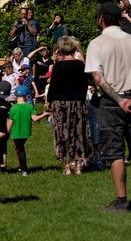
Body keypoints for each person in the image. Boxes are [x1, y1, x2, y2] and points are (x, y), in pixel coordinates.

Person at [85, 2, 131, 212]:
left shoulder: (96, 44)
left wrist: (119, 100)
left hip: (111, 103)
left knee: (115, 153)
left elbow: (98, 77)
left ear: (101, 19)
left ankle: (122, 201)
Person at [45, 36, 89, 175]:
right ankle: (78, 166)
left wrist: (49, 101)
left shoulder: (58, 65)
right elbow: (84, 85)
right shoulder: (81, 65)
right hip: (77, 102)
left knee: (61, 134)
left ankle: (66, 167)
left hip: (60, 103)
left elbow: (53, 86)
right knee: (78, 133)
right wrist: (82, 101)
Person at [8, 85, 49, 176]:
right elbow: (35, 119)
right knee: (20, 149)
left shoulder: (13, 108)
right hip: (26, 133)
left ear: (15, 96)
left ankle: (24, 169)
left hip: (16, 134)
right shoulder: (30, 107)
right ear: (26, 96)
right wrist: (45, 114)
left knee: (20, 151)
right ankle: (22, 167)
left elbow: (9, 123)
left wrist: (6, 133)